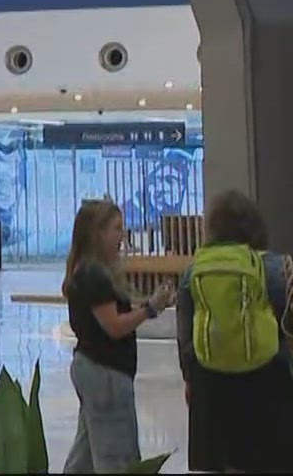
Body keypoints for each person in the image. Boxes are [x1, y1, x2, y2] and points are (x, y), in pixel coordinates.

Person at [175, 189, 293, 473]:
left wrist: (191, 379)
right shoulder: (278, 268)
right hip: (271, 386)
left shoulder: (194, 272)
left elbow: (185, 339)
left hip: (212, 390)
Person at [61, 199, 172, 473]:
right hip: (105, 373)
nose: (122, 236)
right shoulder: (94, 275)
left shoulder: (87, 272)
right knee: (115, 455)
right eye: (116, 228)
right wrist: (151, 308)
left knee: (85, 456)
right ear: (97, 234)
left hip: (94, 368)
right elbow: (114, 326)